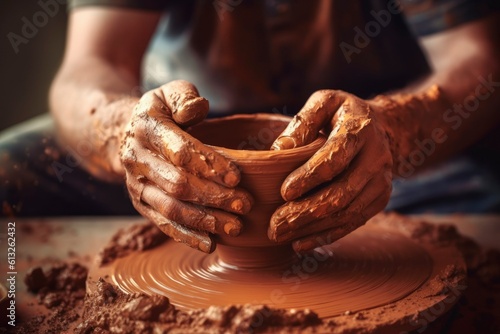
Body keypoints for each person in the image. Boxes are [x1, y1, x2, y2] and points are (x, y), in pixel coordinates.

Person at [1, 0, 499, 253]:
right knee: (9, 180)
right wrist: (119, 131)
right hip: (179, 150)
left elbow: (479, 60)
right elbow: (90, 66)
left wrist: (397, 130)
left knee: (473, 249)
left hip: (373, 149)